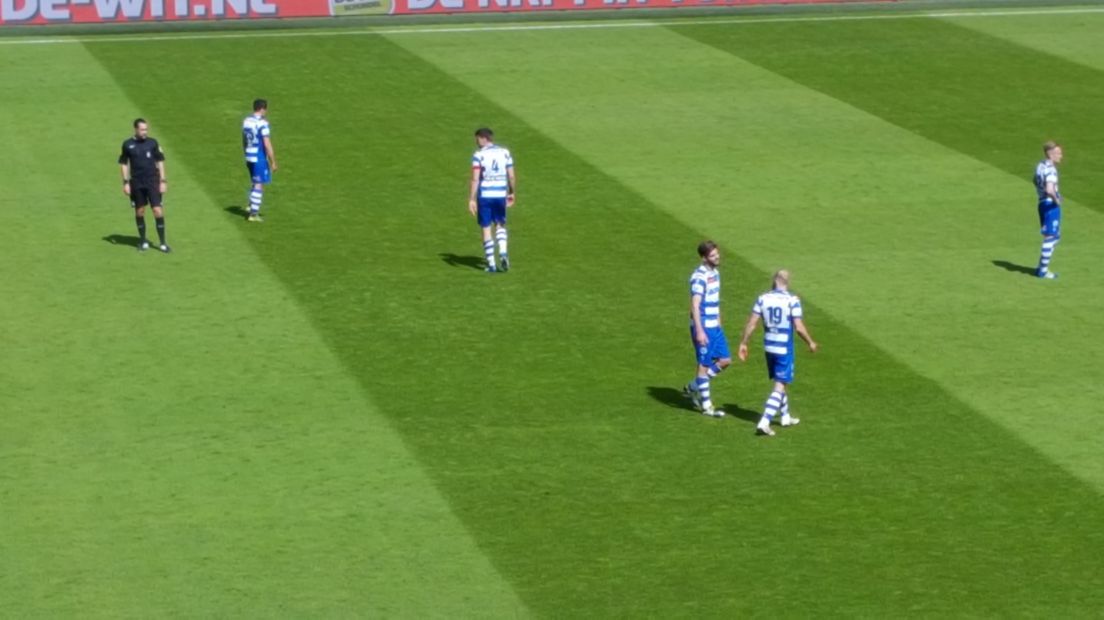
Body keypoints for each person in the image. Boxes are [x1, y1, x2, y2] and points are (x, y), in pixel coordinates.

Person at [737, 270, 818, 436]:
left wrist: (744, 343)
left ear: (774, 281)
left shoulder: (762, 298)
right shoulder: (792, 300)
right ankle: (765, 422)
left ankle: (785, 416)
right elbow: (799, 327)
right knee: (780, 384)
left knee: (781, 381)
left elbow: (752, 324)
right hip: (783, 348)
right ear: (787, 282)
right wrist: (810, 342)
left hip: (768, 347)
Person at [683, 241, 732, 418]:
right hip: (703, 325)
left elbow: (715, 299)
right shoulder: (699, 277)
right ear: (704, 258)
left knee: (725, 360)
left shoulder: (716, 273)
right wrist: (700, 330)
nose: (717, 257)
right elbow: (695, 305)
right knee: (704, 364)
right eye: (712, 255)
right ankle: (707, 406)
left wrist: (719, 320)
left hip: (714, 325)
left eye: (717, 254)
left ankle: (693, 387)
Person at [118, 118, 170, 252]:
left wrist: (163, 181)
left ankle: (163, 243)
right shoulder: (127, 144)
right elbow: (124, 163)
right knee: (140, 211)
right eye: (142, 129)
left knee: (157, 210)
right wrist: (125, 182)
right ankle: (142, 241)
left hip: (153, 180)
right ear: (135, 129)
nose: (145, 132)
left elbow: (160, 161)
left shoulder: (152, 143)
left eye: (146, 129)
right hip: (136, 182)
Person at [468, 128, 516, 272]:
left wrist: (471, 199)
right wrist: (512, 192)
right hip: (500, 193)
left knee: (486, 227)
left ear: (483, 138)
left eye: (477, 138)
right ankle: (503, 252)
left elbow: (475, 178)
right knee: (500, 224)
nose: (476, 141)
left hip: (485, 195)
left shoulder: (479, 155)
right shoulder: (505, 152)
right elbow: (512, 176)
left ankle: (492, 264)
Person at [243, 99, 278, 223]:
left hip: (248, 155)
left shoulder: (246, 121)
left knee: (255, 181)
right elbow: (267, 143)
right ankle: (253, 214)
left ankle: (250, 205)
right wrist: (273, 161)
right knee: (259, 183)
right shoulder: (262, 123)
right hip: (259, 157)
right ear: (263, 109)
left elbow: (244, 139)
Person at [1033, 141, 1063, 279]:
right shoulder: (1051, 169)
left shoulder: (1040, 165)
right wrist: (1057, 200)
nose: (1061, 156)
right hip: (1050, 205)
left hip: (1041, 203)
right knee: (1051, 236)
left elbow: (1035, 180)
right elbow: (1049, 189)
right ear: (1050, 154)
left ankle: (1041, 267)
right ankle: (1043, 271)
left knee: (1054, 236)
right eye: (1058, 153)